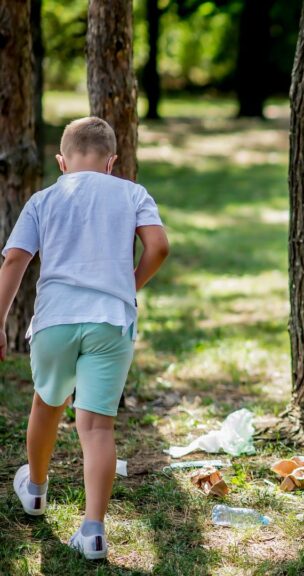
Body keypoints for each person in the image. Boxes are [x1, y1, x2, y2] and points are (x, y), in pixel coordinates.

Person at [1, 117, 169, 560]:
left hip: (56, 320)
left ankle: (36, 490)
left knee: (47, 402)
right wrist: (130, 285)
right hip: (111, 322)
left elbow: (14, 260)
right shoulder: (132, 192)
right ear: (112, 162)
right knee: (96, 426)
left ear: (62, 162)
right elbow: (159, 247)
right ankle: (93, 530)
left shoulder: (44, 198)